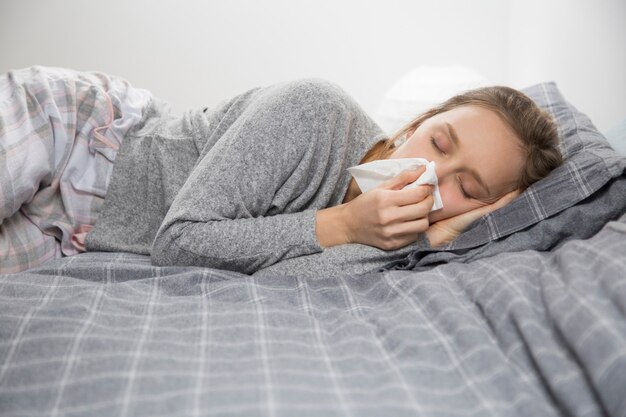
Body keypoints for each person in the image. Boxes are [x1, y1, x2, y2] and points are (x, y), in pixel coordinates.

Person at [0, 66, 562, 274]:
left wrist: (439, 234)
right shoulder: (313, 109)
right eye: (439, 141)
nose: (433, 175)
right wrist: (343, 225)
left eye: (467, 187)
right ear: (415, 124)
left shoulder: (397, 243)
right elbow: (180, 242)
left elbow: (286, 281)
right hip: (80, 137)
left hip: (85, 237)